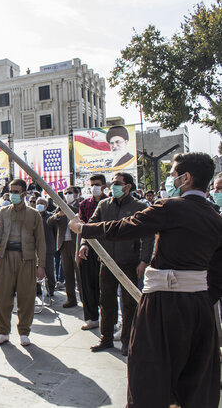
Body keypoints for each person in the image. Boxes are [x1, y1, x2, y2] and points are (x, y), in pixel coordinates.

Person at [69, 153, 222, 407]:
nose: (171, 180)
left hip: (162, 305)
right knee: (194, 375)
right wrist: (203, 299)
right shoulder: (216, 219)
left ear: (186, 178)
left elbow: (125, 227)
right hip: (199, 307)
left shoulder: (171, 207)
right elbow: (218, 272)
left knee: (150, 371)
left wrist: (84, 229)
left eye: (173, 175)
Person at [79, 172, 154, 356]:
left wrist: (144, 261)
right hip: (106, 261)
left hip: (130, 263)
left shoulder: (140, 206)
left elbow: (148, 236)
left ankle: (128, 341)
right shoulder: (104, 205)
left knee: (129, 304)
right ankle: (106, 338)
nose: (113, 187)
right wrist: (83, 243)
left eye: (117, 183)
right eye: (112, 183)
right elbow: (91, 225)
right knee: (106, 301)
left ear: (128, 186)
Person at [0, 179, 45, 347]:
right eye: (11, 191)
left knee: (26, 297)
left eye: (16, 192)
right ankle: (3, 332)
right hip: (4, 258)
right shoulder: (3, 212)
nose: (13, 195)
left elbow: (40, 241)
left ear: (25, 194)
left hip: (26, 259)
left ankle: (24, 332)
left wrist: (41, 265)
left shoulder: (34, 215)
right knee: (1, 296)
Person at [75, 174, 108, 330]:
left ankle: (110, 320)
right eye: (92, 184)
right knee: (88, 285)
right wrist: (82, 245)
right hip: (88, 247)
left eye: (97, 184)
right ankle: (92, 317)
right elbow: (82, 228)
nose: (94, 187)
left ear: (104, 185)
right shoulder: (84, 204)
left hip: (107, 249)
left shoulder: (110, 203)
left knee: (106, 287)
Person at [47, 186, 80, 308]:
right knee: (67, 273)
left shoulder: (79, 206)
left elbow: (78, 214)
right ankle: (71, 298)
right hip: (63, 243)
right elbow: (49, 221)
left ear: (76, 194)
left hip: (76, 243)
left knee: (80, 273)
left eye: (70, 193)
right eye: (66, 193)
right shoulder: (60, 207)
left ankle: (83, 298)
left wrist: (65, 207)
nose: (67, 195)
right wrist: (57, 215)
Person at [35, 198, 56, 296]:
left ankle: (51, 288)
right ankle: (37, 288)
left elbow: (56, 232)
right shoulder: (33, 216)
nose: (39, 205)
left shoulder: (51, 217)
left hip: (48, 248)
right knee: (35, 270)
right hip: (35, 249)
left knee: (49, 270)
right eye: (38, 203)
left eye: (42, 203)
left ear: (46, 206)